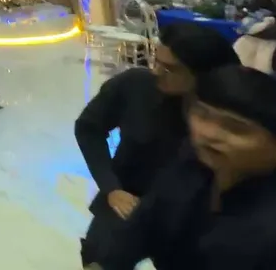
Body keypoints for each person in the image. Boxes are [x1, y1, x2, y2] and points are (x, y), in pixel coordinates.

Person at [91, 65, 276, 270]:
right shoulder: (195, 164)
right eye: (202, 115)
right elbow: (140, 228)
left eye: (236, 128)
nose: (208, 134)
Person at [75, 23, 241, 264]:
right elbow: (88, 127)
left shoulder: (230, 113)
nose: (156, 72)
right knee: (101, 256)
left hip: (193, 216)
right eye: (156, 61)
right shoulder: (134, 86)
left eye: (170, 69)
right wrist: (111, 187)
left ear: (203, 74)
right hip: (129, 199)